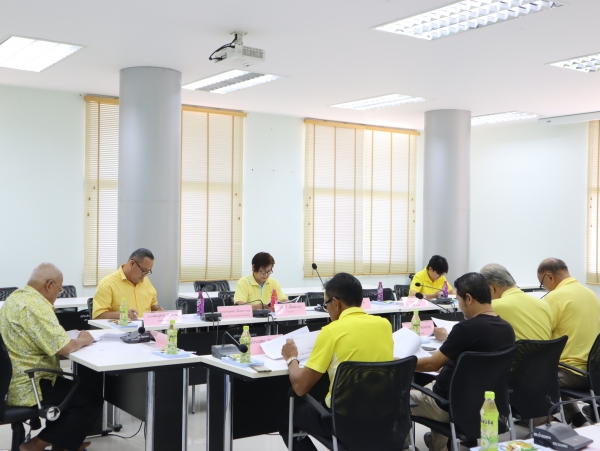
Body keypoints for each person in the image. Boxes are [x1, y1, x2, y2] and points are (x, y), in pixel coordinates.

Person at [277, 272, 394, 451]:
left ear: (336, 302)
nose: (328, 309)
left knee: (285, 419)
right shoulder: (384, 325)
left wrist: (291, 358)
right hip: (383, 417)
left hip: (344, 420)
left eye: (326, 305)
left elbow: (300, 387)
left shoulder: (331, 331)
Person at [0, 263, 103, 451]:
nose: (58, 295)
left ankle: (64, 443)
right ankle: (36, 445)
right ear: (49, 284)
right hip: (32, 385)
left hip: (10, 383)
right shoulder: (37, 306)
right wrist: (83, 339)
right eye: (59, 289)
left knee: (71, 391)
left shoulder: (14, 298)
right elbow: (65, 347)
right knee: (90, 400)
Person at [410, 272, 515, 451]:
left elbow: (432, 364)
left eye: (459, 300)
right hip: (485, 403)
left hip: (449, 404)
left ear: (469, 298)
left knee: (398, 399)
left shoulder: (465, 329)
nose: (459, 306)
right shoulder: (507, 329)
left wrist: (403, 363)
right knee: (435, 385)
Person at [538, 258, 600, 427]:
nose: (545, 288)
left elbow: (540, 336)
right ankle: (577, 417)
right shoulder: (590, 294)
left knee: (536, 374)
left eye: (542, 284)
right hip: (595, 372)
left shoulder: (554, 298)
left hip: (572, 374)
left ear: (550, 277)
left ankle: (545, 421)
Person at [480, 263, 552, 341]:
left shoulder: (491, 307)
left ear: (491, 289)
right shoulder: (544, 305)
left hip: (516, 349)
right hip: (545, 349)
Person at [92, 248, 164, 319]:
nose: (145, 275)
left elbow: (153, 304)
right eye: (143, 270)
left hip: (145, 326)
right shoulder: (107, 283)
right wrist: (121, 314)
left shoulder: (146, 281)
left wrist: (158, 310)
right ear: (132, 264)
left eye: (148, 272)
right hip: (121, 326)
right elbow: (98, 315)